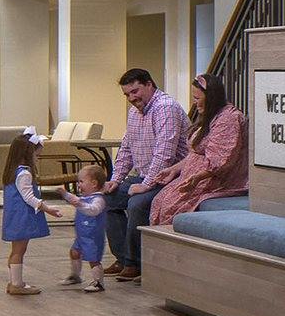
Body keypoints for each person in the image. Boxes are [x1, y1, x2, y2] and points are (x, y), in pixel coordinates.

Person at [103, 68, 187, 283]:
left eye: (135, 91)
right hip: (144, 176)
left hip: (172, 178)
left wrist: (147, 184)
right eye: (127, 95)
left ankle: (135, 263)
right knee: (106, 198)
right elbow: (126, 149)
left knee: (137, 204)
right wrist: (115, 180)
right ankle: (122, 258)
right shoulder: (134, 113)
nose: (132, 98)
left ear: (149, 84)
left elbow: (165, 153)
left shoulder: (165, 108)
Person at [148, 74, 249, 228]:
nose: (195, 103)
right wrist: (174, 169)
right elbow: (195, 154)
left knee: (171, 206)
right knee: (159, 201)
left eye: (197, 98)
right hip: (194, 176)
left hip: (216, 180)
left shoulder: (228, 119)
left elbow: (221, 160)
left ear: (210, 97)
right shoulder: (210, 116)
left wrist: (197, 178)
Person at [0, 128, 62, 296]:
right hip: (22, 217)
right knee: (19, 251)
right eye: (37, 155)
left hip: (15, 216)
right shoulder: (24, 174)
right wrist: (48, 209)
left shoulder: (14, 171)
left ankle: (15, 281)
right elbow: (29, 197)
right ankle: (16, 285)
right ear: (28, 154)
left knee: (16, 250)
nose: (37, 159)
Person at [59, 164, 108, 293]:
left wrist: (80, 204)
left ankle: (98, 282)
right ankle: (75, 275)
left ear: (93, 183)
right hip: (82, 235)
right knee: (74, 253)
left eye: (81, 181)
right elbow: (76, 200)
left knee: (93, 258)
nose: (79, 185)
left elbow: (93, 211)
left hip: (92, 236)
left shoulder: (98, 199)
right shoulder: (85, 198)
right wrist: (65, 194)